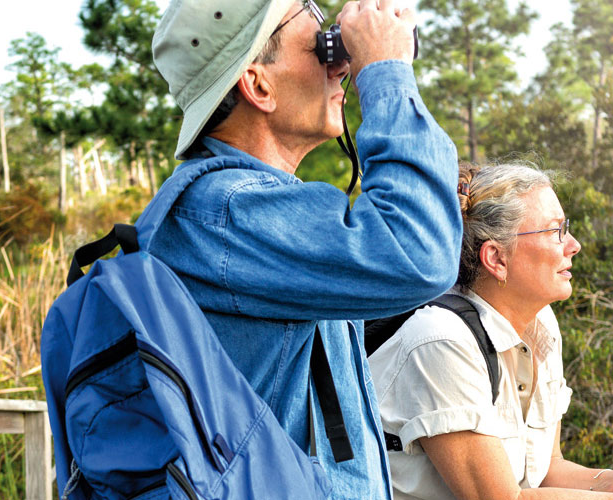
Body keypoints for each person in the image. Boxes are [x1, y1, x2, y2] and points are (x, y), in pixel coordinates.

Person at [148, 0, 461, 498]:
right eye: (318, 45)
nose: (339, 62)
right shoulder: (229, 212)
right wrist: (385, 72)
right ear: (258, 86)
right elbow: (418, 251)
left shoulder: (254, 212)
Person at [368, 162, 613, 500]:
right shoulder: (440, 341)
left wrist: (610, 481)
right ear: (496, 258)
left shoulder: (542, 325)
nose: (574, 244)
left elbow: (545, 469)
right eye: (555, 231)